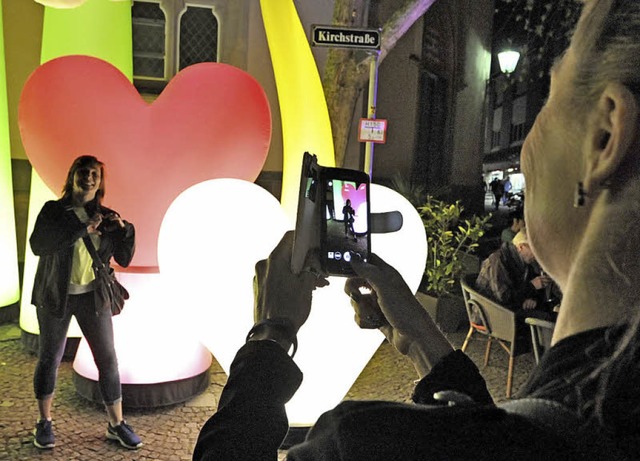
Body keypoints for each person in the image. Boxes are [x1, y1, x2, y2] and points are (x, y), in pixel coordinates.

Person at [193, 1, 640, 458]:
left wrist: (270, 336)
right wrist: (422, 339)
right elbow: (500, 442)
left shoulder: (361, 447)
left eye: (550, 96)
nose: (527, 143)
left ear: (604, 137)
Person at [29, 155, 142, 450]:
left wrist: (125, 230)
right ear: (72, 176)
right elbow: (39, 245)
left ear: (100, 181)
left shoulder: (105, 216)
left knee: (107, 359)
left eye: (95, 173)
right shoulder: (54, 212)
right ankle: (44, 421)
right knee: (50, 357)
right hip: (56, 295)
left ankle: (116, 423)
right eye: (84, 172)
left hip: (93, 296)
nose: (89, 177)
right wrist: (82, 229)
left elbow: (124, 258)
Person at [476, 229, 556, 316]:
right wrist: (532, 286)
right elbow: (503, 297)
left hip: (510, 309)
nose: (537, 255)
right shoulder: (498, 261)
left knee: (549, 310)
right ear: (521, 247)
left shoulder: (524, 261)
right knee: (545, 318)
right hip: (491, 314)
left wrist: (532, 299)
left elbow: (527, 289)